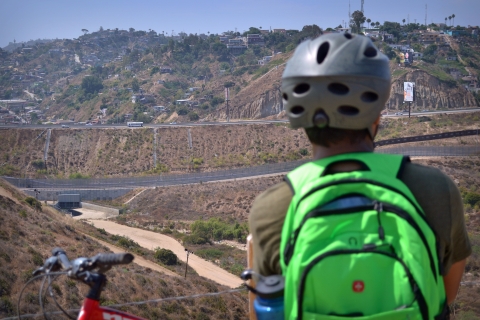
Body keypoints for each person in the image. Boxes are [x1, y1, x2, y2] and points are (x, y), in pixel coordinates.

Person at [249, 33, 471, 318]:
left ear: (298, 117)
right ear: (377, 115)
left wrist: (253, 262)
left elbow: (264, 314)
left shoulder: (272, 208)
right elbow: (444, 297)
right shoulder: (436, 190)